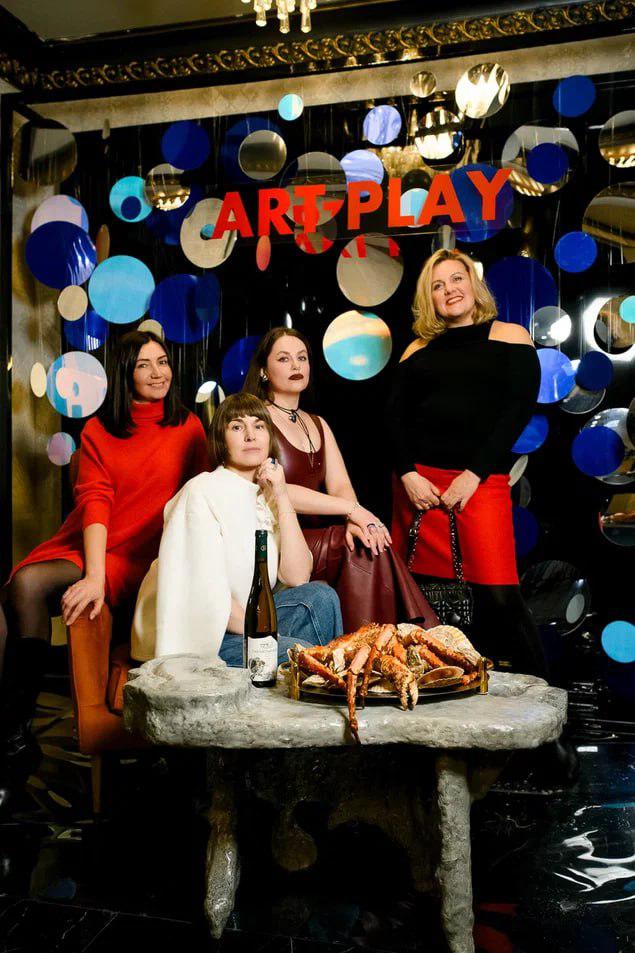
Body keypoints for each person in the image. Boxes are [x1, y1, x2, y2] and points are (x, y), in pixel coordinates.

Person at [0, 330, 210, 811]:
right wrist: (94, 576)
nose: (158, 373)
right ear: (124, 373)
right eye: (144, 365)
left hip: (147, 555)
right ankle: (13, 736)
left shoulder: (188, 427)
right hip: (96, 542)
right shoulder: (99, 429)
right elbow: (96, 502)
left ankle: (12, 741)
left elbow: (201, 499)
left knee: (25, 586)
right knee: (19, 590)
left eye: (163, 362)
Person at [387, 247, 548, 678]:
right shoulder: (417, 348)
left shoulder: (511, 336)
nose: (449, 290)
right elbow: (393, 420)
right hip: (418, 488)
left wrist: (473, 475)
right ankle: (435, 688)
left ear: (473, 285)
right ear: (430, 298)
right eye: (438, 286)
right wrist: (408, 475)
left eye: (456, 279)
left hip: (479, 484)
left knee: (498, 594)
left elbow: (516, 413)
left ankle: (541, 696)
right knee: (417, 599)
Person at [242, 328, 437, 633]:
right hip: (281, 539)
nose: (296, 365)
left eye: (302, 358)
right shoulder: (257, 421)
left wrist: (355, 521)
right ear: (264, 371)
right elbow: (276, 489)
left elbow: (341, 486)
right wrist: (353, 511)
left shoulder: (317, 423)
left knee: (367, 539)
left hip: (318, 536)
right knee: (356, 545)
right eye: (284, 359)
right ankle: (409, 632)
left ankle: (378, 640)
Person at [131, 393, 343, 664]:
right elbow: (207, 594)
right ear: (221, 439)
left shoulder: (265, 495)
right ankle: (317, 678)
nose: (250, 436)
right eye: (237, 427)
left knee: (321, 597)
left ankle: (322, 682)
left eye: (259, 426)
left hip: (245, 623)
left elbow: (298, 576)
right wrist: (268, 637)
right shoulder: (202, 491)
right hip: (205, 634)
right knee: (298, 653)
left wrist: (281, 494)